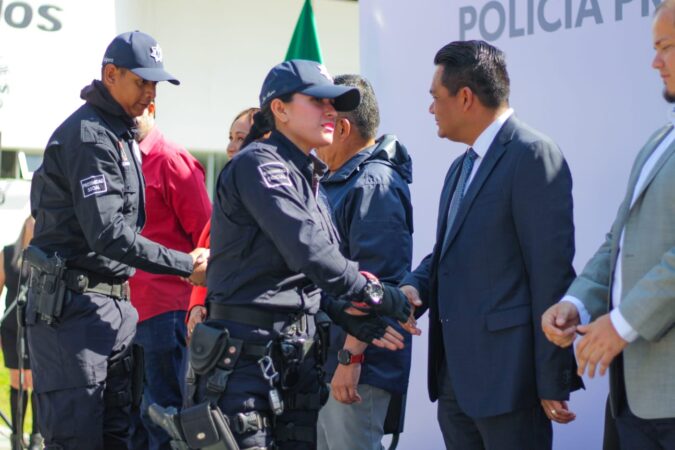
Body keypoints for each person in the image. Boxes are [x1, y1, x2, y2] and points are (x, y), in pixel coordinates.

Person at [168, 59, 414, 450]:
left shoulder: (308, 175)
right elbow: (306, 248)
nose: (331, 110)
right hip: (245, 368)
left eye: (335, 103)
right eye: (318, 101)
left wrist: (343, 314)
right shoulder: (259, 164)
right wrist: (375, 295)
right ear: (279, 110)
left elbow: (299, 277)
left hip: (294, 367)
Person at [25, 30, 208, 450]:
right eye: (141, 81)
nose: (151, 92)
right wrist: (187, 266)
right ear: (111, 74)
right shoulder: (89, 135)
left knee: (121, 439)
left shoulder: (119, 133)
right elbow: (109, 234)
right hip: (74, 314)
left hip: (114, 310)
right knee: (79, 440)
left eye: (155, 83)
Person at [399, 40, 582, 450]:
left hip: (511, 387)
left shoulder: (533, 155)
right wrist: (414, 288)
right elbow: (447, 254)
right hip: (455, 386)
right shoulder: (460, 167)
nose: (431, 109)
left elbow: (551, 273)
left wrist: (553, 378)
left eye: (435, 98)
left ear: (465, 97)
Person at [542, 2, 675, 447]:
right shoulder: (659, 140)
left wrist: (621, 324)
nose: (655, 61)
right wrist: (577, 305)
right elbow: (616, 243)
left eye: (667, 47)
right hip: (630, 400)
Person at [315, 74, 414, 450]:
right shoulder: (339, 179)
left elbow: (377, 285)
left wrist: (350, 358)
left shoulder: (374, 185)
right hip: (331, 363)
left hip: (357, 370)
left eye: (324, 121)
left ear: (341, 128)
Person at [128, 101, 212, 450]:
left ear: (152, 108)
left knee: (162, 419)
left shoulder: (170, 159)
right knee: (132, 421)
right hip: (127, 314)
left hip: (165, 313)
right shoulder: (122, 159)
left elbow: (206, 237)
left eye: (135, 110)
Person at [186, 106, 259, 335]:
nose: (230, 147)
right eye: (230, 138)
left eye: (240, 139)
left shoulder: (273, 196)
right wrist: (197, 305)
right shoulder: (228, 195)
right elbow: (207, 250)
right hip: (216, 322)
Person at [0, 216, 42, 450]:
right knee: (18, 380)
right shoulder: (8, 254)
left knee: (35, 381)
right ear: (25, 225)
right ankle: (17, 436)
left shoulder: (44, 258)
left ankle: (36, 436)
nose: (34, 226)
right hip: (11, 329)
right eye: (32, 222)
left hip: (35, 328)